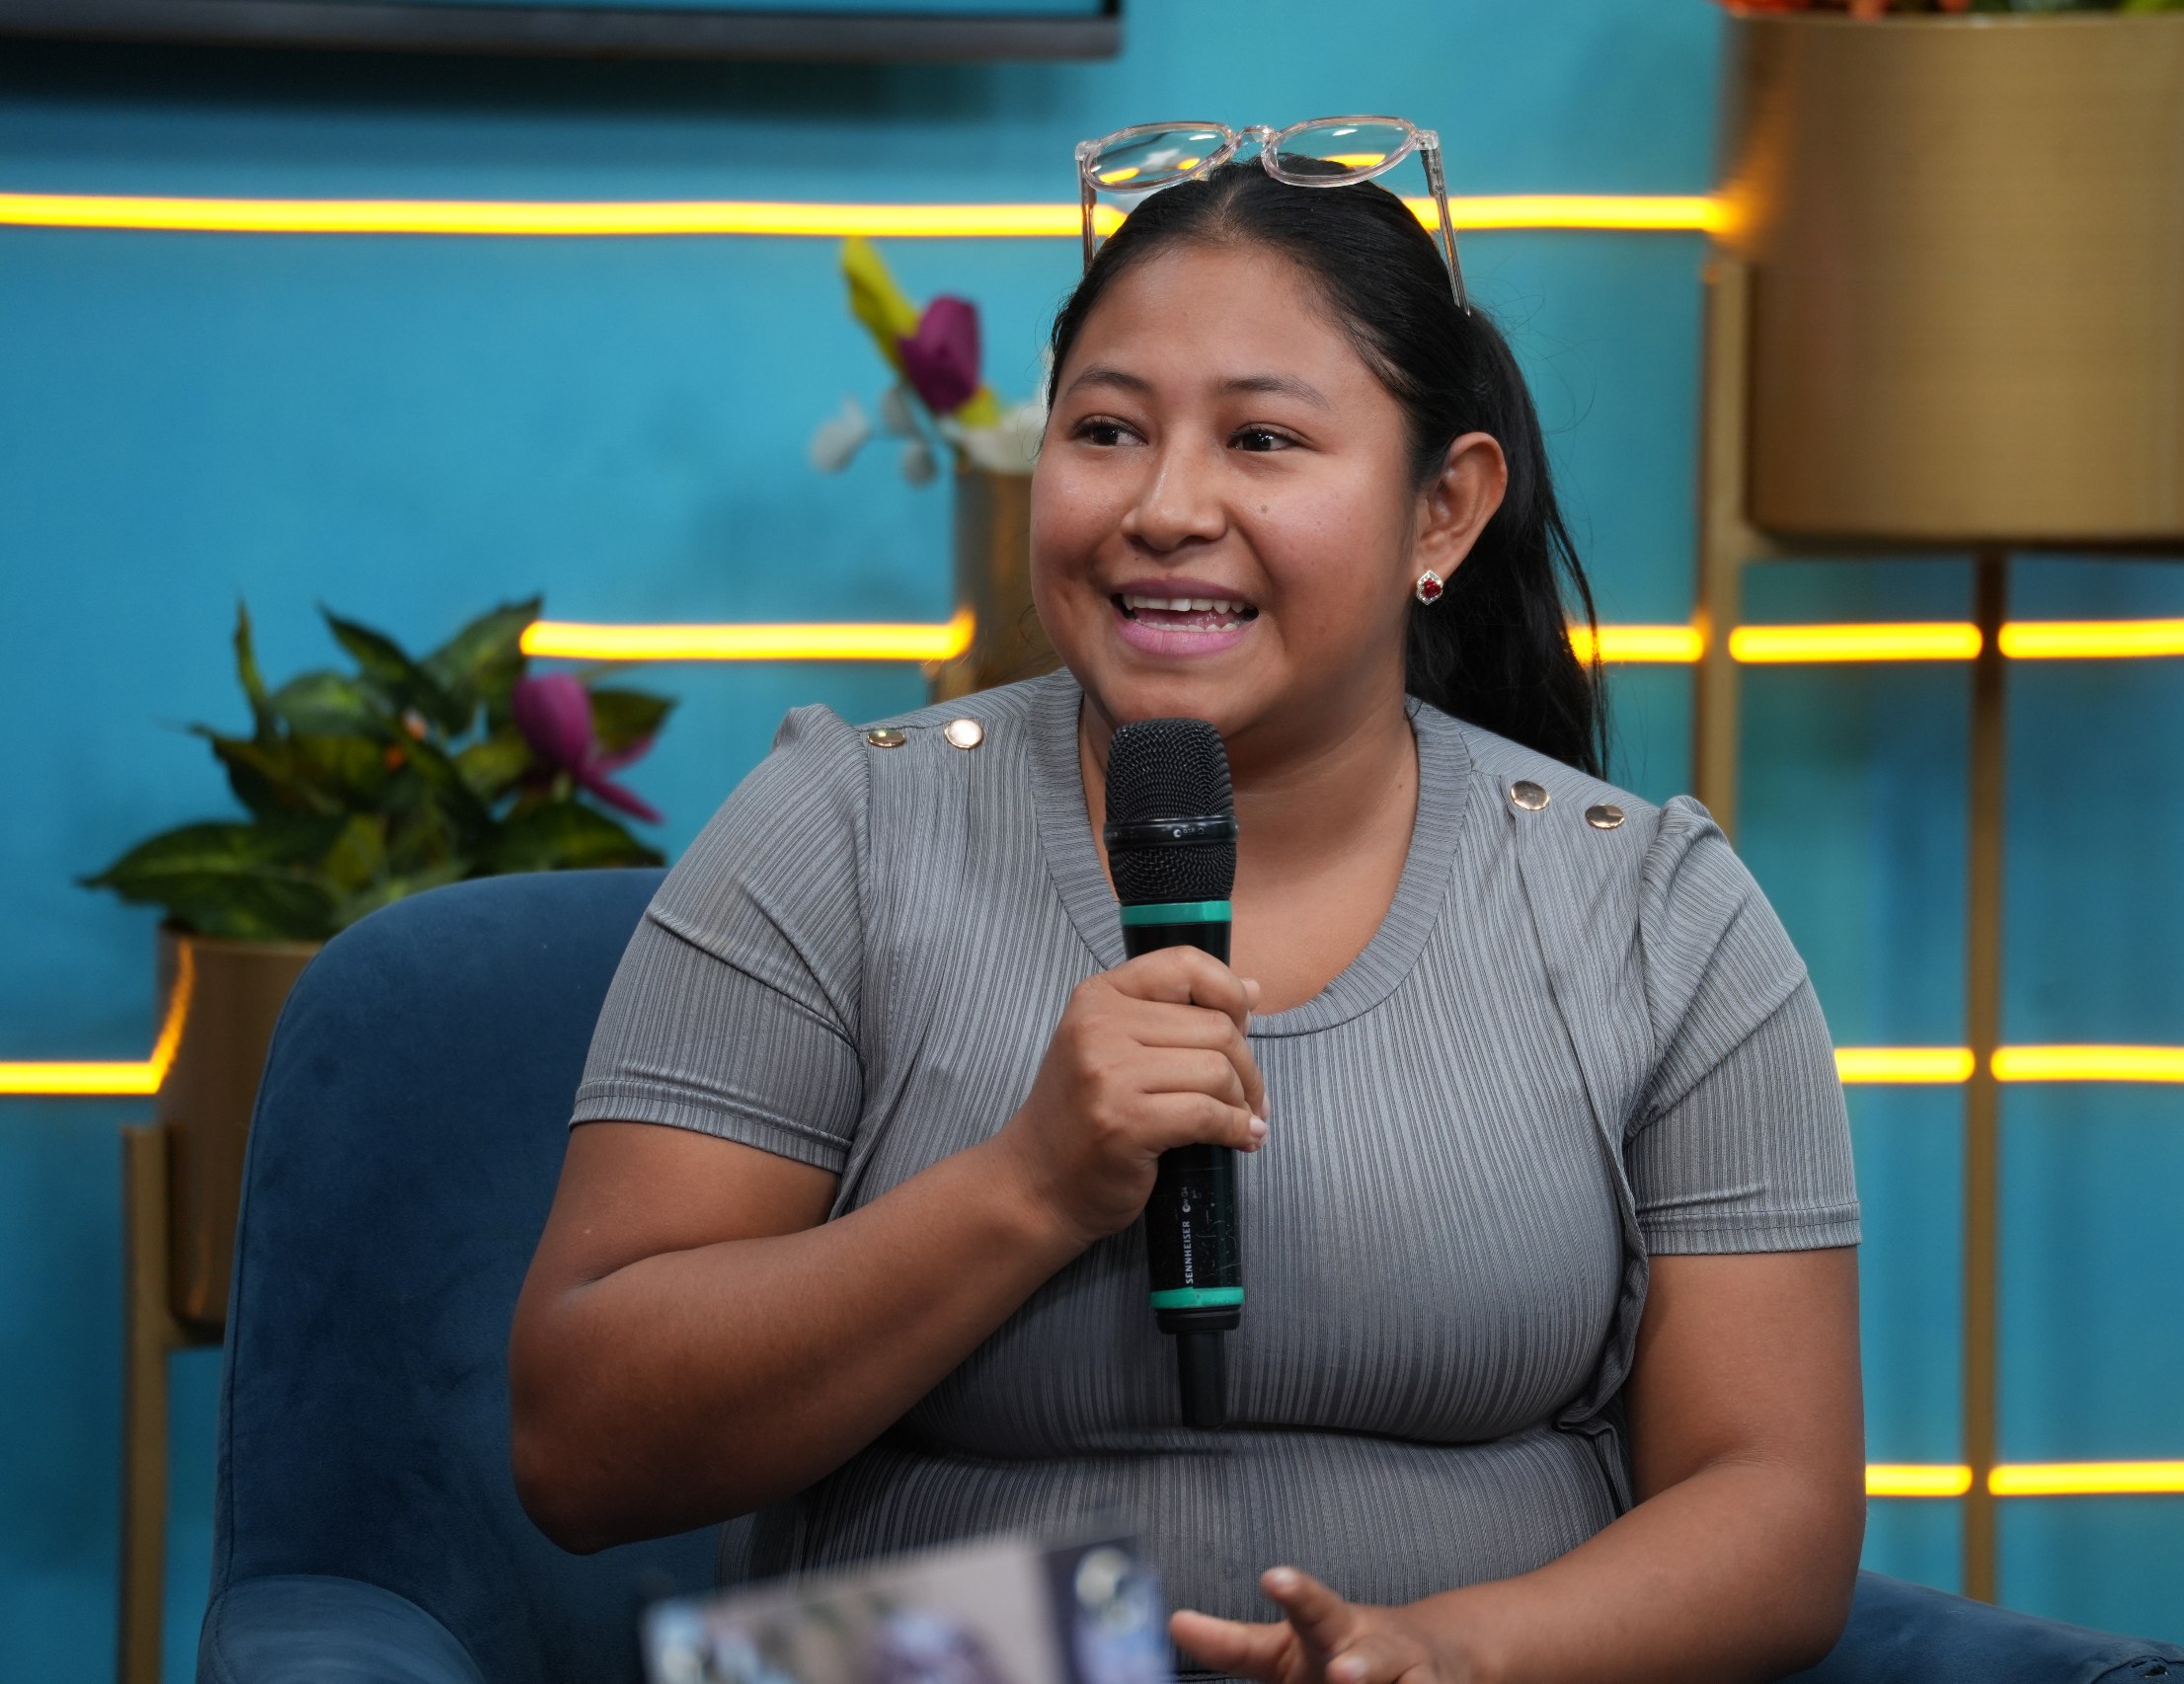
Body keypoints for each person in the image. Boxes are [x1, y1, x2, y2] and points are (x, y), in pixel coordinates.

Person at [510, 154, 1864, 1684]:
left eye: (1262, 439)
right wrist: (1025, 1187)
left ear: (1445, 508)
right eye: (1106, 432)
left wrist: (1447, 1649)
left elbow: (1779, 1506)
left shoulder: (1654, 909)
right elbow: (579, 1443)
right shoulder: (838, 830)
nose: (1164, 509)